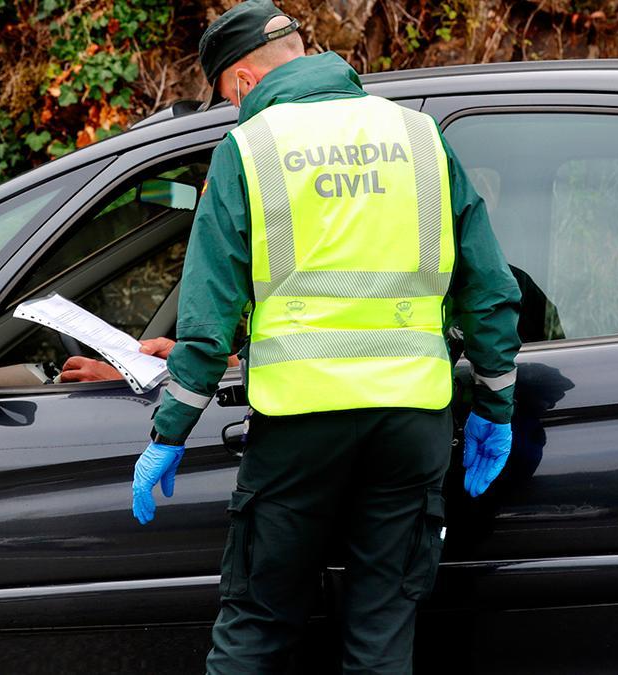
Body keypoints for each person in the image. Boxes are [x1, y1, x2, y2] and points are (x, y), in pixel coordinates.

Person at [127, 2, 523, 673]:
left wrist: (168, 433)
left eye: (228, 98)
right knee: (381, 633)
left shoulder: (250, 150)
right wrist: (494, 405)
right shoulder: (419, 136)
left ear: (245, 80)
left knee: (255, 622)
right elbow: (489, 292)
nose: (233, 112)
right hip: (411, 424)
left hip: (300, 427)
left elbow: (208, 319)